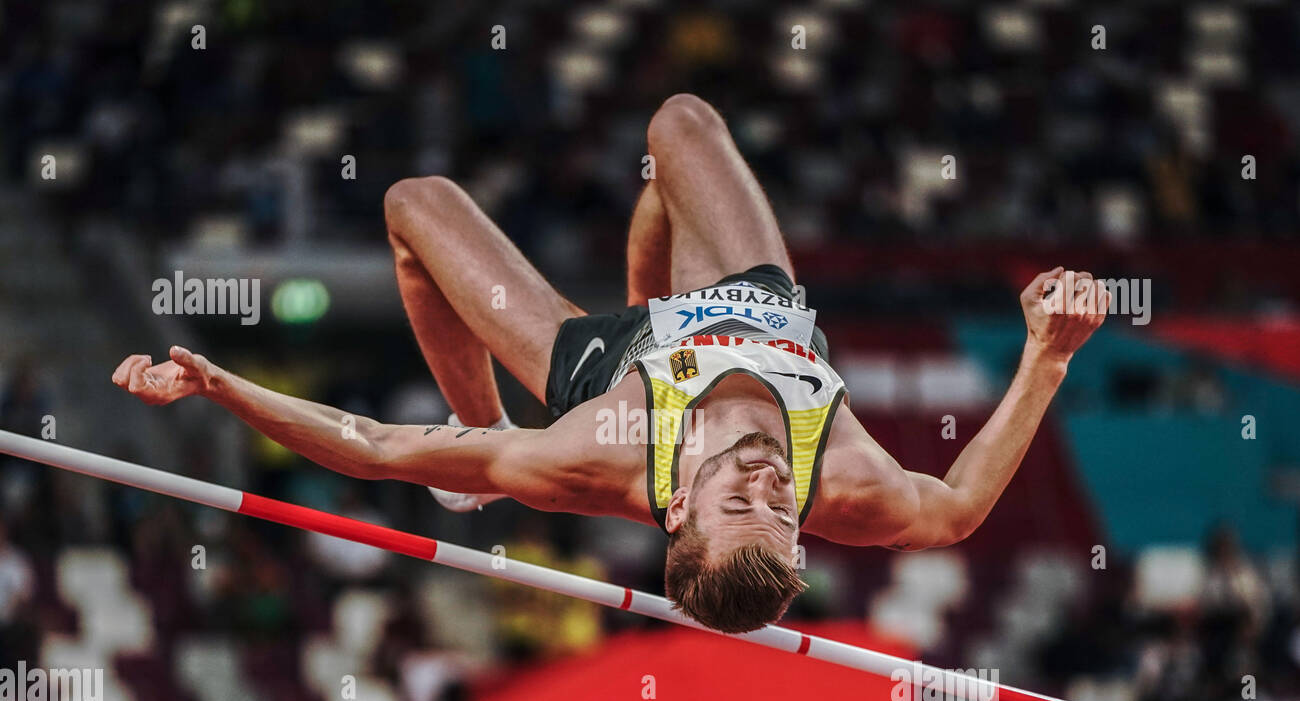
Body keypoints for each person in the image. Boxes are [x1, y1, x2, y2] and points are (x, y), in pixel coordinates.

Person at [111, 94, 1109, 633]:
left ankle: (484, 436)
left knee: (415, 207)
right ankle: (649, 277)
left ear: (677, 509)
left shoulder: (589, 458)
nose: (769, 484)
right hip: (751, 309)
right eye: (781, 512)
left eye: (740, 504)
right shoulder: (844, 484)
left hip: (602, 372)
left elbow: (372, 446)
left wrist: (219, 383)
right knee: (680, 123)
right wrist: (1044, 357)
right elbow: (960, 506)